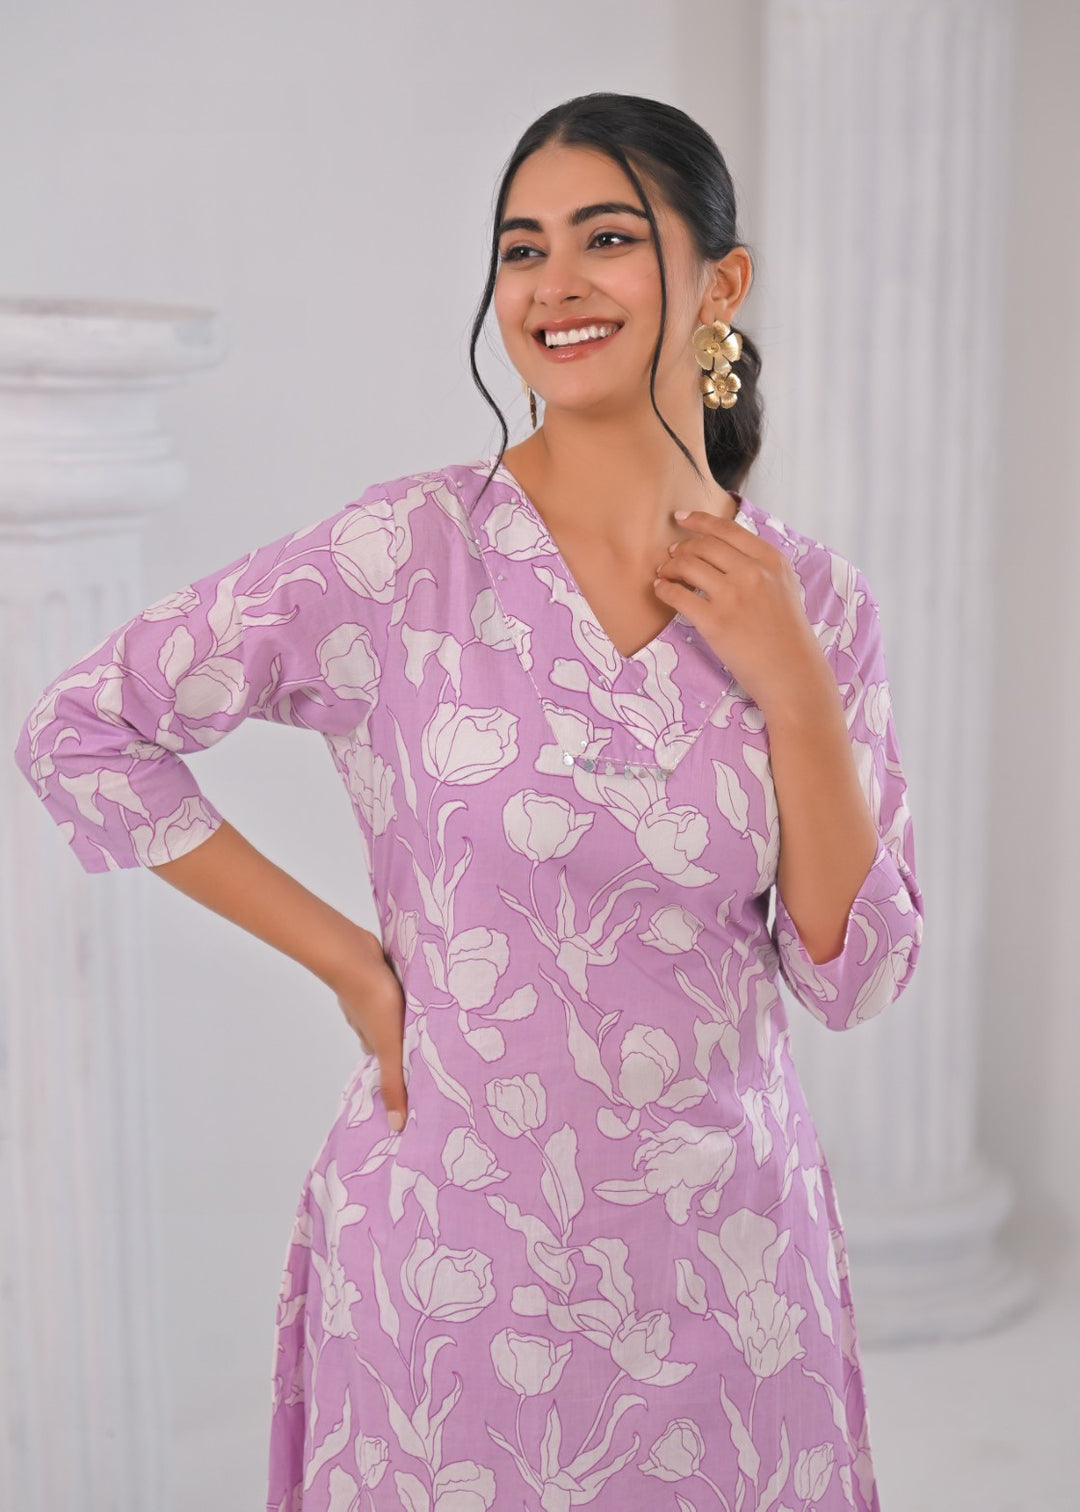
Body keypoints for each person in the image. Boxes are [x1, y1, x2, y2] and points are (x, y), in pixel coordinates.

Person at [13, 91, 923, 1512]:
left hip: (734, 1282)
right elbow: (85, 728)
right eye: (521, 248)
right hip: (455, 1273)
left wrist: (796, 690)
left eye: (607, 238)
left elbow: (852, 978)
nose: (555, 282)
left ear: (720, 285)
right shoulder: (405, 557)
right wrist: (353, 965)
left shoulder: (817, 604)